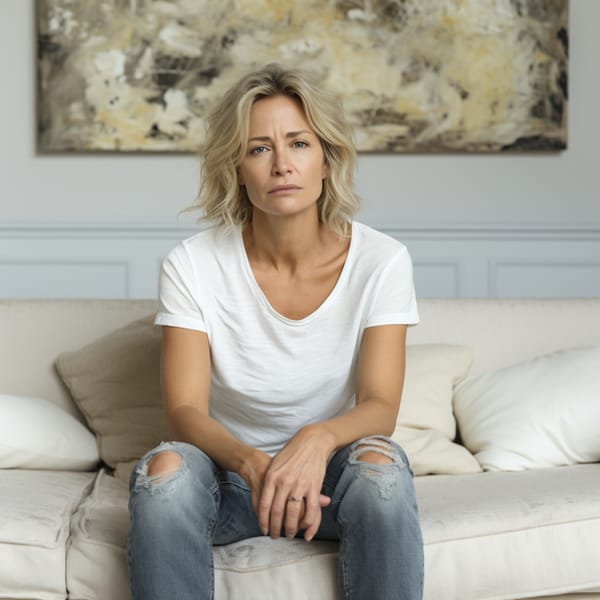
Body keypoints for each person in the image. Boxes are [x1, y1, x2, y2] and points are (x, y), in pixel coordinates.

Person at [127, 62, 424, 600]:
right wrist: (252, 464)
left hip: (330, 479)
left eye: (299, 144)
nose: (282, 164)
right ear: (237, 168)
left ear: (327, 159)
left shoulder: (382, 260)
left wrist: (314, 439)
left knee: (381, 470)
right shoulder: (191, 264)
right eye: (259, 148)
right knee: (165, 472)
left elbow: (380, 405)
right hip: (230, 479)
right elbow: (184, 410)